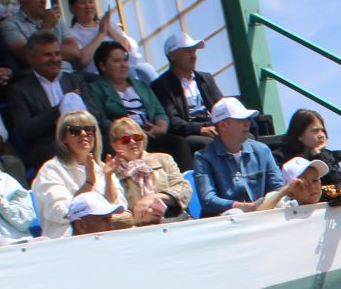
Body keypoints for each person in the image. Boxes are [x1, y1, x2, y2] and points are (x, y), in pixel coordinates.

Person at [82, 42, 185, 166]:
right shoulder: (95, 89)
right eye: (116, 61)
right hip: (124, 139)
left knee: (178, 143)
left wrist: (161, 128)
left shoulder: (141, 85)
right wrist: (131, 132)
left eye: (125, 60)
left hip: (150, 135)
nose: (123, 65)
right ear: (103, 66)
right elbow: (100, 120)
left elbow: (159, 112)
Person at [31, 109, 130, 237]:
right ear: (64, 138)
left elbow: (119, 208)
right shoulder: (51, 170)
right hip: (67, 237)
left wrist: (108, 178)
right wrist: (89, 183)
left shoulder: (104, 168)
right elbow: (61, 213)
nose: (83, 134)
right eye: (75, 131)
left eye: (89, 130)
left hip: (106, 234)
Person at [4, 31, 85, 170]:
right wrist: (61, 107)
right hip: (48, 147)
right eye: (47, 55)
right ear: (31, 58)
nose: (54, 59)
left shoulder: (74, 80)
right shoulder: (19, 90)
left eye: (57, 54)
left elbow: (96, 112)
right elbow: (25, 129)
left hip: (83, 138)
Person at [192, 97, 281, 213]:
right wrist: (238, 206)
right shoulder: (203, 158)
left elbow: (278, 188)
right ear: (223, 125)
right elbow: (208, 200)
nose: (248, 123)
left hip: (261, 219)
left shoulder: (263, 150)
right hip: (226, 225)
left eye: (248, 118)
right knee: (235, 213)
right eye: (241, 119)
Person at [106, 115, 191, 224]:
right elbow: (113, 215)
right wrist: (136, 219)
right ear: (114, 145)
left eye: (137, 137)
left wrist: (154, 197)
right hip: (136, 231)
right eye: (125, 140)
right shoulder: (112, 172)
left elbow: (185, 189)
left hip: (173, 221)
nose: (132, 142)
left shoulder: (164, 159)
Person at [154, 31, 221, 169]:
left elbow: (221, 106)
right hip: (191, 134)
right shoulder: (160, 86)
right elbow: (173, 121)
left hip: (215, 127)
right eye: (187, 51)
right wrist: (200, 129)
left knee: (247, 134)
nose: (193, 56)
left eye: (194, 51)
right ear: (172, 55)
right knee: (208, 144)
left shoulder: (205, 79)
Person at [62, 0, 142, 75]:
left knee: (146, 69)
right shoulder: (72, 33)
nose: (88, 6)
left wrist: (109, 29)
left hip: (128, 66)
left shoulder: (108, 24)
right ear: (72, 8)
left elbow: (127, 47)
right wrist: (101, 34)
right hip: (100, 75)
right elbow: (82, 60)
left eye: (91, 2)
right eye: (82, 3)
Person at [0, 0, 62, 68]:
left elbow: (74, 52)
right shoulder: (10, 24)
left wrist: (47, 54)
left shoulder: (52, 18)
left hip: (68, 73)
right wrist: (47, 26)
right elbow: (27, 56)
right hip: (38, 77)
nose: (44, 0)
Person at [274, 107, 341, 185]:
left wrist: (319, 155)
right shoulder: (280, 158)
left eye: (322, 130)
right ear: (299, 135)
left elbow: (338, 184)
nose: (321, 135)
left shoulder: (326, 155)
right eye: (315, 130)